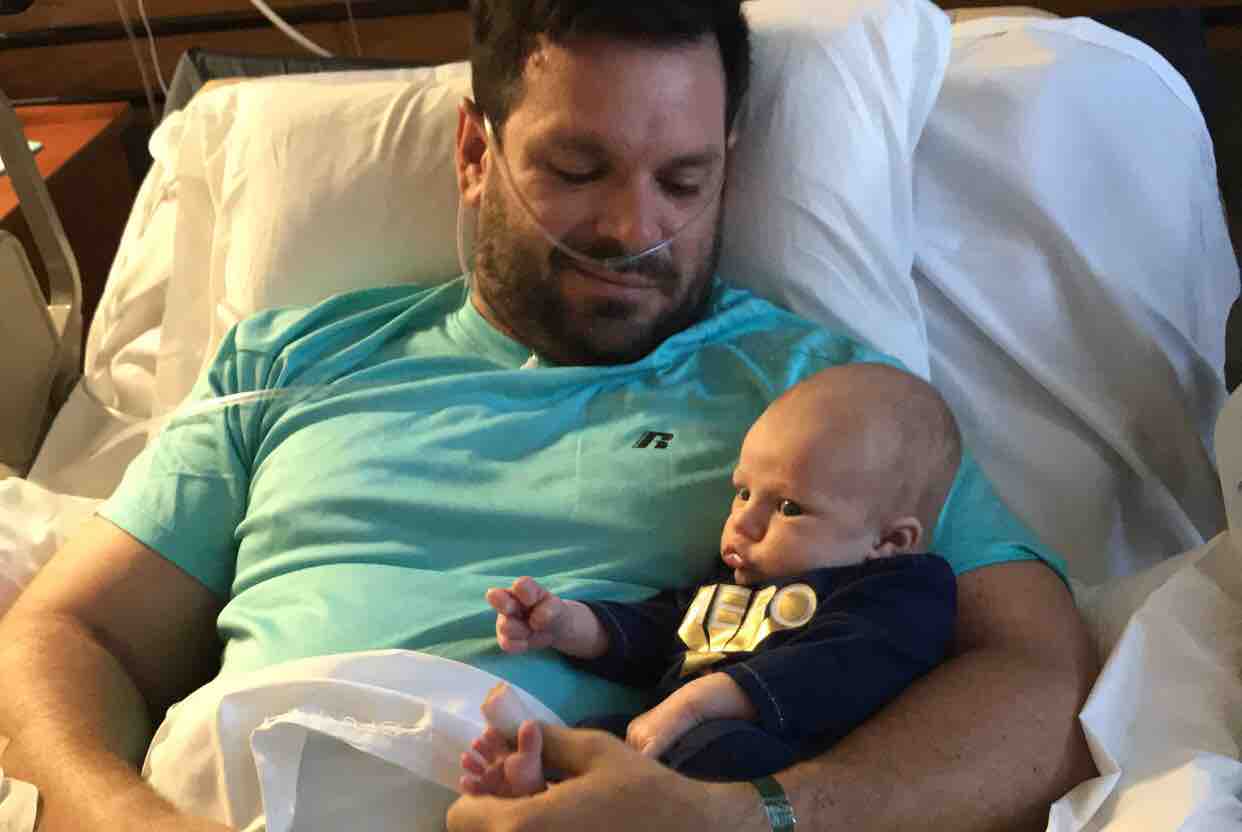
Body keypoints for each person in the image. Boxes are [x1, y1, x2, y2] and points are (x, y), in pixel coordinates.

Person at [0, 2, 1098, 831]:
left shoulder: (831, 403)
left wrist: (750, 815)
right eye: (578, 169)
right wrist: (124, 820)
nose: (634, 228)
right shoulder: (292, 361)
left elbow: (1040, 681)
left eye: (684, 182)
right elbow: (68, 633)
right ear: (476, 154)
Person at [462, 363, 960, 792]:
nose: (743, 523)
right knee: (596, 736)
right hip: (672, 741)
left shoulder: (904, 591)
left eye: (788, 508)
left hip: (781, 761)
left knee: (720, 751)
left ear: (890, 541)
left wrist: (701, 700)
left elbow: (841, 666)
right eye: (743, 493)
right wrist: (569, 624)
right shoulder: (732, 582)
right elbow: (666, 629)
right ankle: (541, 790)